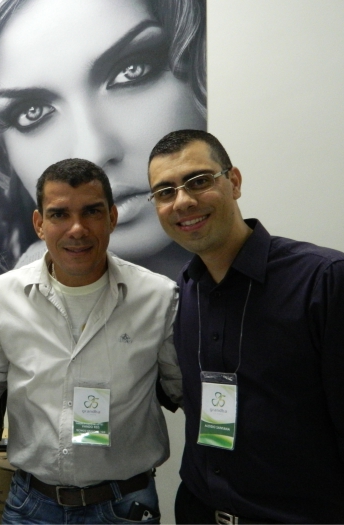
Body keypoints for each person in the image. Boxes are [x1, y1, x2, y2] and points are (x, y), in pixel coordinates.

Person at [0, 158, 183, 524]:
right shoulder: (5, 294)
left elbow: (182, 388)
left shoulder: (157, 297)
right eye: (59, 214)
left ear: (111, 217)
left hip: (124, 506)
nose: (76, 229)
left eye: (91, 212)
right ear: (39, 224)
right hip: (31, 505)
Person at [147, 129, 344, 523]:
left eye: (198, 181)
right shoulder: (185, 289)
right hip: (199, 511)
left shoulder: (323, 281)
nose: (183, 201)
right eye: (165, 192)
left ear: (233, 182)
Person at [0, 0, 206, 279]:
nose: (93, 154)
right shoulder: (8, 306)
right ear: (3, 155)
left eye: (132, 70)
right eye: (32, 112)